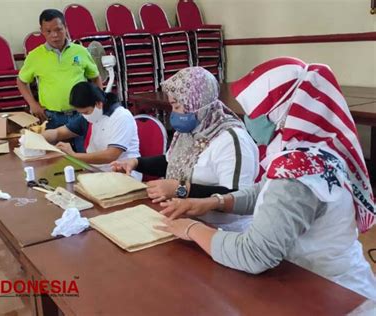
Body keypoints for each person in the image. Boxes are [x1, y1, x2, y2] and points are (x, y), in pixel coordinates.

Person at [155, 57, 376, 300]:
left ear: (280, 114)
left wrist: (192, 229)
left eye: (254, 112)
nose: (248, 119)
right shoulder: (310, 151)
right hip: (319, 282)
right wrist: (214, 202)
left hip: (327, 293)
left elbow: (254, 254)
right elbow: (263, 190)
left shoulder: (298, 170)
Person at [111, 67, 259, 230]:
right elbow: (171, 162)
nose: (173, 113)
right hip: (185, 218)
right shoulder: (191, 130)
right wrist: (136, 163)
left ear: (196, 103)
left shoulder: (231, 139)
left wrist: (180, 189)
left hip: (222, 229)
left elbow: (237, 196)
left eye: (176, 106)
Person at [17, 9, 102, 152]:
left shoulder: (80, 51)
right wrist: (33, 104)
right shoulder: (35, 56)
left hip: (81, 114)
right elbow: (21, 81)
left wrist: (98, 102)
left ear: (66, 28)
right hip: (53, 117)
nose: (54, 35)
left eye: (58, 29)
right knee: (56, 157)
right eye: (48, 31)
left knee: (86, 153)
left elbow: (95, 77)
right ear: (42, 31)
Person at [43, 81, 141, 180]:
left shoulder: (121, 117)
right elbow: (58, 133)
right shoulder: (88, 116)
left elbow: (111, 155)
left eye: (86, 112)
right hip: (96, 170)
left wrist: (74, 156)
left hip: (124, 173)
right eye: (81, 113)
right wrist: (36, 137)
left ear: (98, 103)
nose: (84, 115)